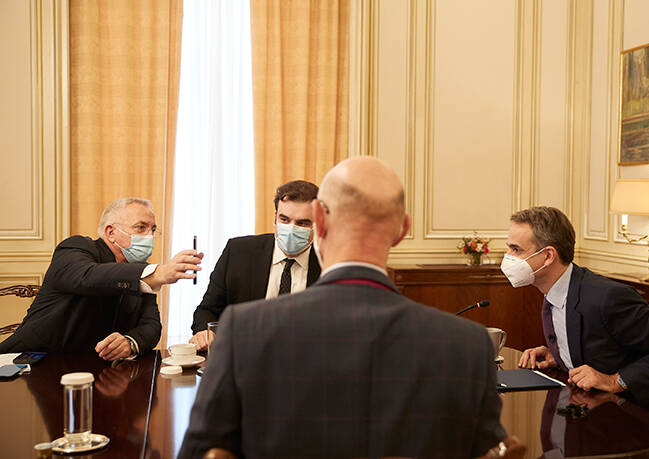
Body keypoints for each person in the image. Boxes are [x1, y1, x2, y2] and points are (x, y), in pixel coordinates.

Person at [179, 157, 507, 458]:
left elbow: (201, 452)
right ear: (402, 230)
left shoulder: (243, 331)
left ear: (319, 221)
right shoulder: (468, 346)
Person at [507, 206, 649, 459]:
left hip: (643, 435)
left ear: (548, 256)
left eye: (516, 250)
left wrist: (615, 380)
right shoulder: (553, 290)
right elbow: (603, 345)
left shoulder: (607, 297)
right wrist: (558, 354)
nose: (508, 257)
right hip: (595, 423)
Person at [0, 198, 203, 360]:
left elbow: (151, 326)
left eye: (152, 230)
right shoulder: (76, 248)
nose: (149, 236)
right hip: (29, 363)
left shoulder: (141, 270)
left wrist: (129, 342)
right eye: (141, 227)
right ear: (111, 232)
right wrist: (157, 273)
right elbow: (88, 276)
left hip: (93, 370)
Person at [189, 180, 321, 350]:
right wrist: (204, 333)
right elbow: (207, 311)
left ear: (318, 223)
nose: (291, 229)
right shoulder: (238, 252)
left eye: (302, 223)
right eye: (284, 219)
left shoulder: (329, 262)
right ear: (275, 217)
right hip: (245, 356)